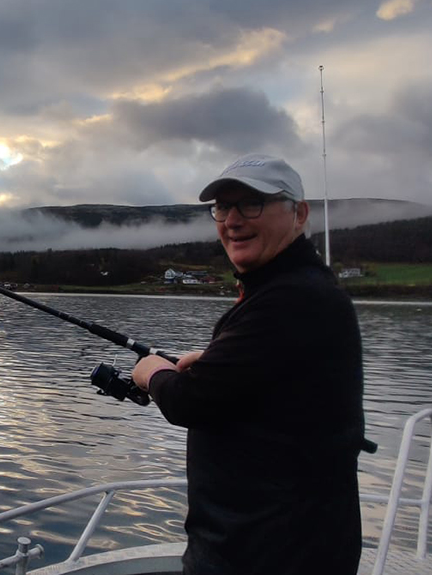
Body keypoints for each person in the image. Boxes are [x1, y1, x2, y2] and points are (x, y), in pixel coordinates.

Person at [131, 154, 367, 575]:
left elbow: (191, 402)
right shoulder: (294, 290)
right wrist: (217, 363)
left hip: (271, 553)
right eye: (222, 208)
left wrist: (152, 373)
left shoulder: (292, 298)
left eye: (251, 204)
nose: (233, 220)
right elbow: (285, 382)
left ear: (300, 214)